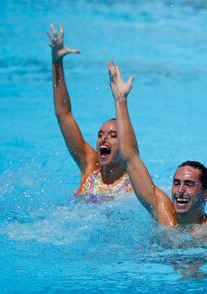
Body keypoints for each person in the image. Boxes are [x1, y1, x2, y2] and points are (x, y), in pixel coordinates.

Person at [108, 61, 207, 235]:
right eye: (176, 183)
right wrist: (120, 100)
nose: (180, 190)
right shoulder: (162, 214)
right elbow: (130, 158)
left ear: (206, 194)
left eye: (189, 184)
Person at [47, 24, 132, 203]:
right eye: (100, 134)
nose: (103, 139)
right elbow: (64, 114)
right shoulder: (90, 168)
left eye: (112, 135)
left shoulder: (133, 186)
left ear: (124, 143)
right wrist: (57, 62)